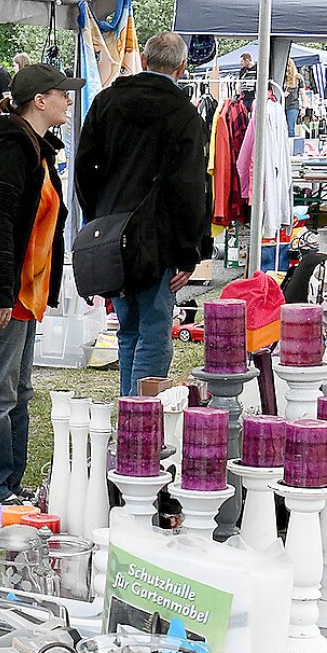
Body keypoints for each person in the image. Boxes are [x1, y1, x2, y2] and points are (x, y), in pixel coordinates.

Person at [0, 63, 78, 503]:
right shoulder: (13, 147)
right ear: (39, 101)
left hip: (23, 291)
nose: (68, 99)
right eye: (62, 93)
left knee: (17, 391)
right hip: (5, 292)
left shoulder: (36, 146)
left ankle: (8, 487)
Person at [76, 31, 211, 398]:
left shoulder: (106, 102)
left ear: (146, 61)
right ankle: (140, 417)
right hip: (160, 240)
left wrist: (97, 217)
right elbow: (190, 188)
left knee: (128, 329)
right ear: (182, 69)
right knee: (153, 330)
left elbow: (84, 167)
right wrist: (190, 251)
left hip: (112, 234)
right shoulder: (183, 113)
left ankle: (130, 411)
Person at [283, 59, 301, 136]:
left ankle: (290, 146)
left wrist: (303, 107)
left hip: (293, 105)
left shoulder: (298, 78)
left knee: (290, 128)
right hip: (282, 105)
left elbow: (302, 93)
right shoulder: (281, 77)